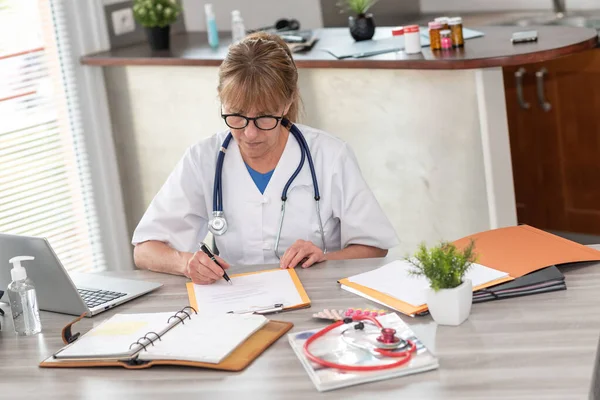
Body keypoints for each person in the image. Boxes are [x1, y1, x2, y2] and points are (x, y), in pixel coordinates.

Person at [132, 32, 399, 285]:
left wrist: (326, 258)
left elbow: (374, 246)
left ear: (286, 103)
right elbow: (145, 251)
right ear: (221, 101)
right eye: (236, 115)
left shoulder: (329, 155)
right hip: (237, 305)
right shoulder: (203, 158)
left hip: (320, 298)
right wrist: (186, 263)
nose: (249, 133)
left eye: (264, 117)